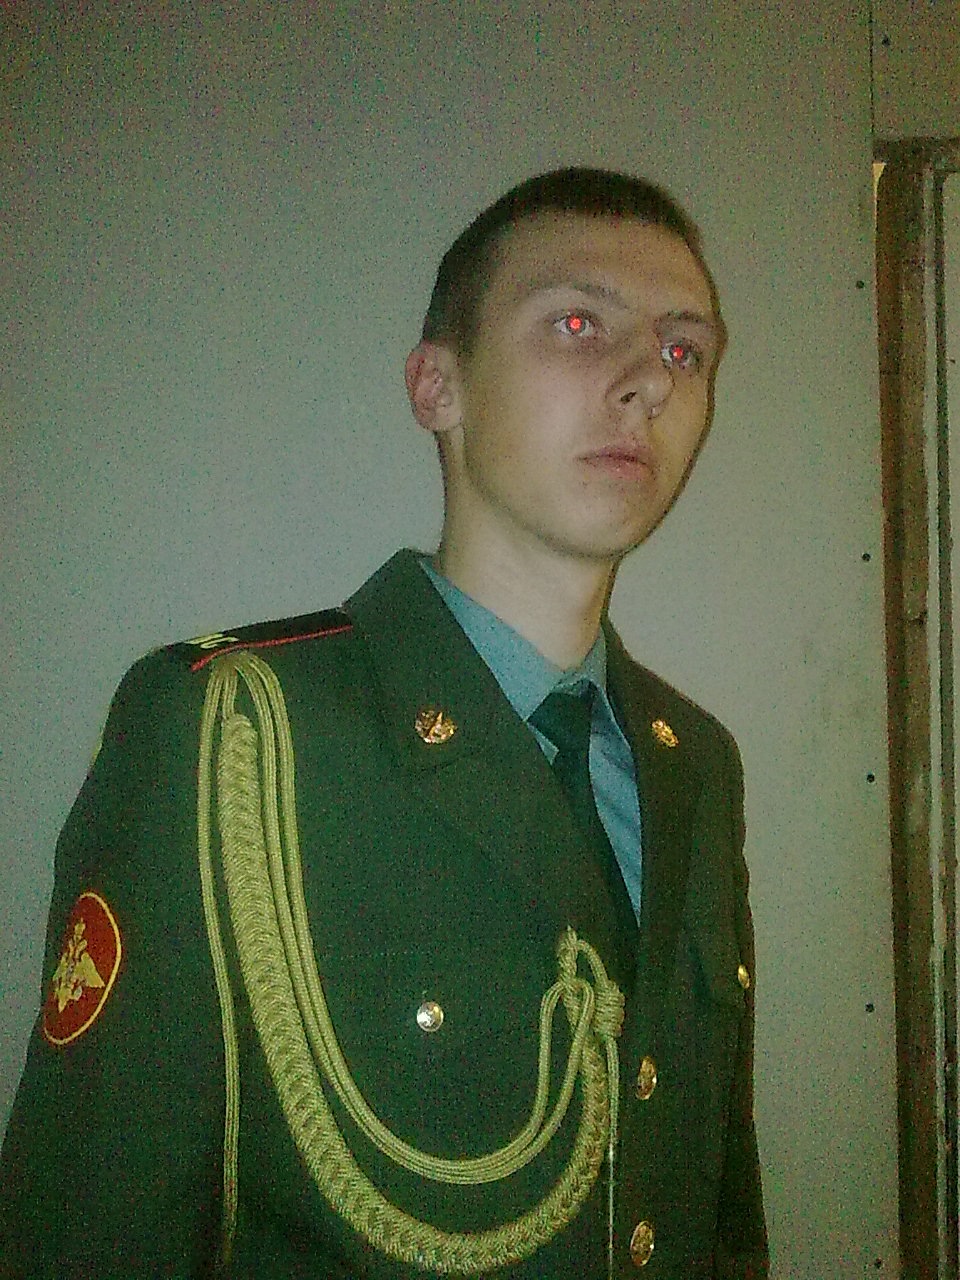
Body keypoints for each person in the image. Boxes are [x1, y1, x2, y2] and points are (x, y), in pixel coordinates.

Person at [0, 168, 768, 1278]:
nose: (650, 379)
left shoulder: (696, 763)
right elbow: (88, 1234)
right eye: (576, 323)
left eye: (686, 350)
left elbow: (715, 1207)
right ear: (436, 387)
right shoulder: (230, 734)